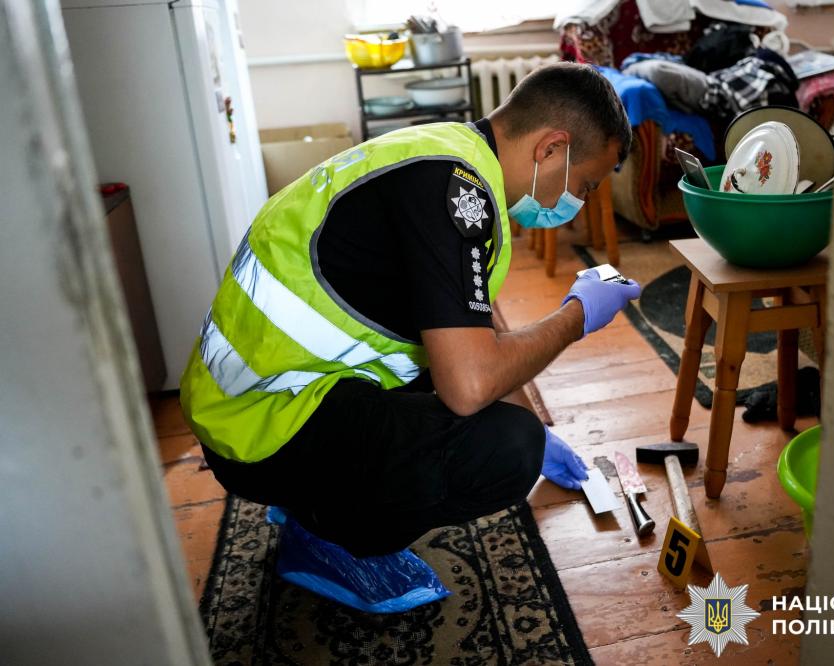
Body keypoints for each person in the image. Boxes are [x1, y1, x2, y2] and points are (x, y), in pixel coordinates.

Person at [180, 63, 639, 562]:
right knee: (507, 448)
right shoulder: (457, 190)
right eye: (585, 185)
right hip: (261, 428)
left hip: (250, 403)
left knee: (472, 383)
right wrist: (575, 316)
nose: (577, 201)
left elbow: (477, 328)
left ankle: (309, 497)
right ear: (550, 148)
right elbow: (470, 385)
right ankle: (327, 535)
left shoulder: (444, 153)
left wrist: (535, 419)